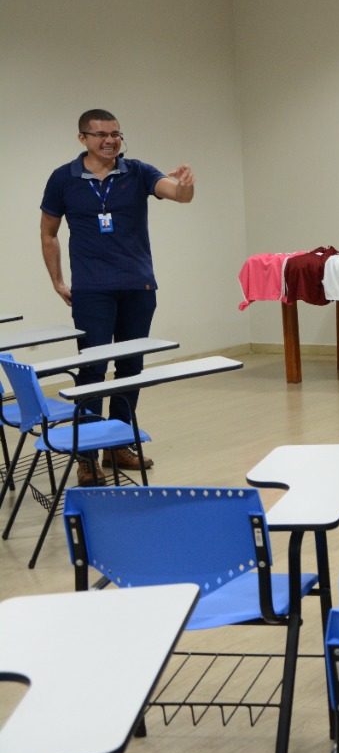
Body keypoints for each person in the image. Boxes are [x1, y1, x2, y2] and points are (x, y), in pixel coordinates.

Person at [40, 109, 195, 485]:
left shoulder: (137, 171)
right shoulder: (63, 179)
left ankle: (117, 443)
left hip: (138, 287)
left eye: (116, 134)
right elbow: (48, 233)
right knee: (92, 371)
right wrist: (59, 281)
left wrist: (186, 186)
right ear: (83, 139)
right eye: (101, 134)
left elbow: (176, 194)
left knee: (129, 368)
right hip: (92, 290)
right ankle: (87, 456)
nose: (111, 140)